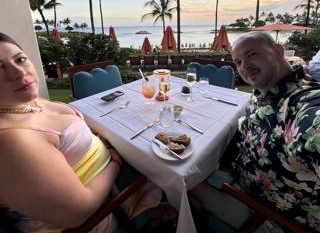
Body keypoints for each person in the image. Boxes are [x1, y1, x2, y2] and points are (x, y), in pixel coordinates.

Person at [0, 32, 162, 233]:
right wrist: (115, 164)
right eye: (0, 68)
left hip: (109, 177)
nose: (18, 73)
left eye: (20, 59)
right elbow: (78, 213)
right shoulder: (12, 141)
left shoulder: (26, 103)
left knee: (158, 147)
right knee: (164, 164)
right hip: (102, 211)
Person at [191, 32, 320, 232]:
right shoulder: (264, 92)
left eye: (252, 54)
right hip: (237, 177)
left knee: (181, 181)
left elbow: (314, 125)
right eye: (238, 62)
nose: (244, 66)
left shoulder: (305, 106)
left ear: (278, 51)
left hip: (264, 213)